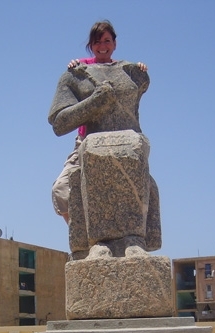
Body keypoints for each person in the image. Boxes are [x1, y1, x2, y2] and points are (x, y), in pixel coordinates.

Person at [51, 20, 147, 224]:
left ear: (115, 43)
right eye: (97, 42)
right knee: (61, 188)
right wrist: (94, 102)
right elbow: (59, 123)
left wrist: (140, 69)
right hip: (86, 142)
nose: (102, 46)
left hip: (126, 144)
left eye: (107, 41)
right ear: (91, 46)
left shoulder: (128, 72)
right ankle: (80, 232)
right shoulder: (80, 70)